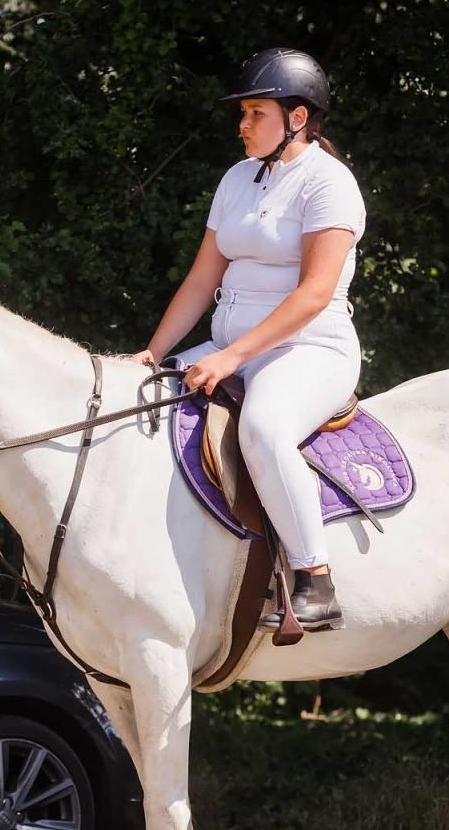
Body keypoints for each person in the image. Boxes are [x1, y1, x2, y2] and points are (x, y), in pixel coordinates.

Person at [129, 48, 366, 631]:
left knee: (264, 427)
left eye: (255, 113)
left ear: (298, 118)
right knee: (138, 400)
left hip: (310, 349)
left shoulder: (330, 184)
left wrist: (233, 356)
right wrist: (153, 353)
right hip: (229, 343)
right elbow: (202, 277)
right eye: (243, 115)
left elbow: (312, 295)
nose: (243, 125)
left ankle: (314, 576)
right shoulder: (236, 178)